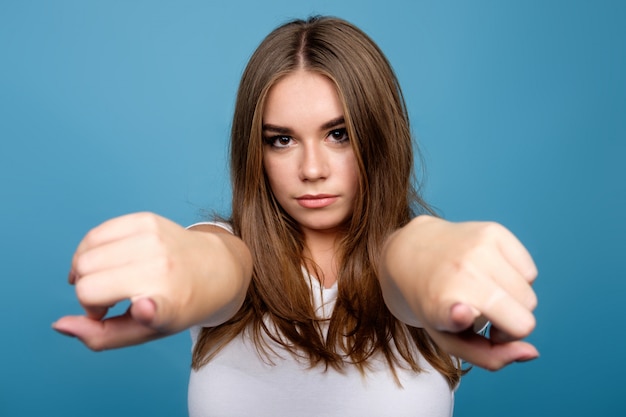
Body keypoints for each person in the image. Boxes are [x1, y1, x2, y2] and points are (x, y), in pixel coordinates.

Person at [53, 16, 538, 417]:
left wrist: (427, 246)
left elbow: (403, 266)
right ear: (255, 151)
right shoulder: (232, 253)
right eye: (281, 140)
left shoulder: (429, 273)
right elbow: (216, 262)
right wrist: (182, 263)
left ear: (380, 136)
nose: (311, 169)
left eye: (339, 134)